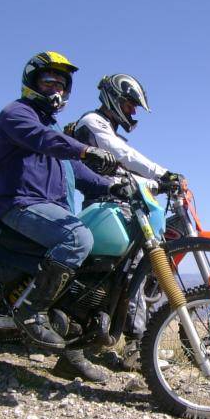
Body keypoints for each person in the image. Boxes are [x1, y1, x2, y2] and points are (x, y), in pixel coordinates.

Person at [0, 51, 127, 383]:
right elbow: (45, 141)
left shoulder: (52, 125)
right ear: (32, 83)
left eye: (61, 83)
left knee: (91, 260)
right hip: (16, 204)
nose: (55, 88)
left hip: (46, 209)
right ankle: (30, 312)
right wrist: (85, 149)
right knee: (77, 237)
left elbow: (76, 170)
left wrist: (113, 187)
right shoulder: (17, 115)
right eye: (49, 81)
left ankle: (69, 353)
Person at [64, 74, 184, 367]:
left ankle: (123, 340)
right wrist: (162, 173)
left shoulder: (108, 129)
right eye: (130, 105)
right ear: (113, 99)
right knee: (132, 272)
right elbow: (123, 156)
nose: (132, 112)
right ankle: (135, 345)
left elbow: (125, 173)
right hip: (105, 206)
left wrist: (156, 184)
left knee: (134, 271)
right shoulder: (93, 123)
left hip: (118, 204)